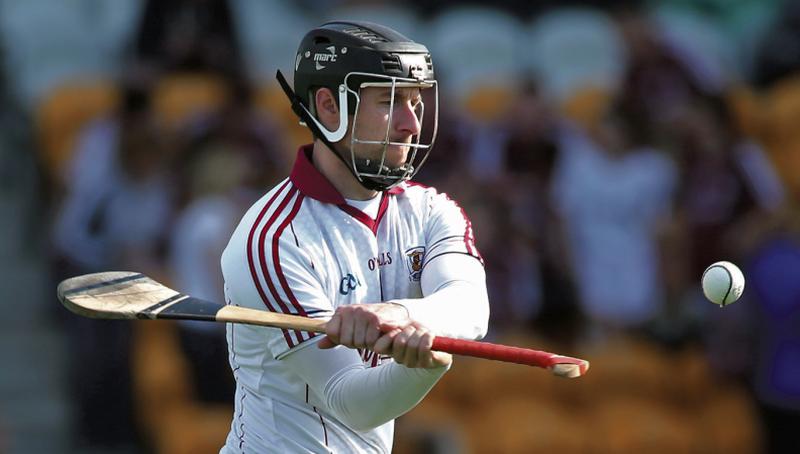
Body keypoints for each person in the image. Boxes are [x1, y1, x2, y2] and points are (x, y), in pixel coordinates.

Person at [219, 21, 490, 453]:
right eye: (390, 102)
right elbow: (351, 402)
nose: (410, 125)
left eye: (416, 103)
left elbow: (471, 306)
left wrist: (398, 315)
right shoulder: (271, 240)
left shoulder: (430, 210)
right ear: (328, 106)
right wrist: (424, 366)